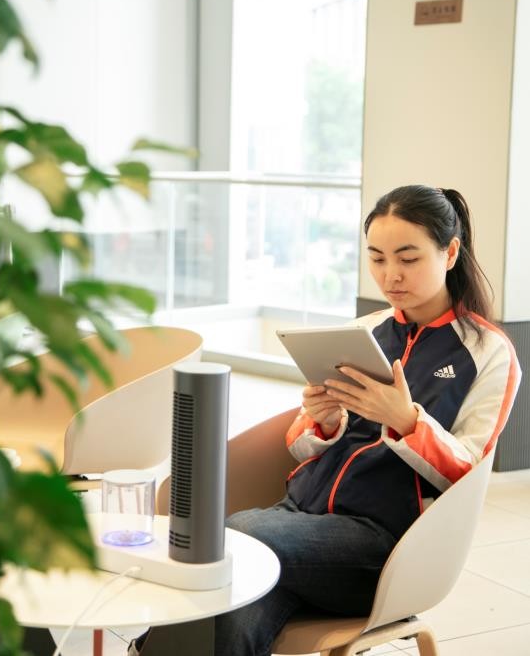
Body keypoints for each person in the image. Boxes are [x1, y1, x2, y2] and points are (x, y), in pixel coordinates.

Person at [130, 184, 521, 656]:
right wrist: (322, 421)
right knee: (226, 610)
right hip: (297, 519)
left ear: (451, 251)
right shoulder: (365, 331)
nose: (390, 275)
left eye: (408, 258)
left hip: (384, 546)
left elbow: (467, 471)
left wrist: (405, 421)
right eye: (376, 258)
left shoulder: (488, 353)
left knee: (236, 538)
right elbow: (298, 445)